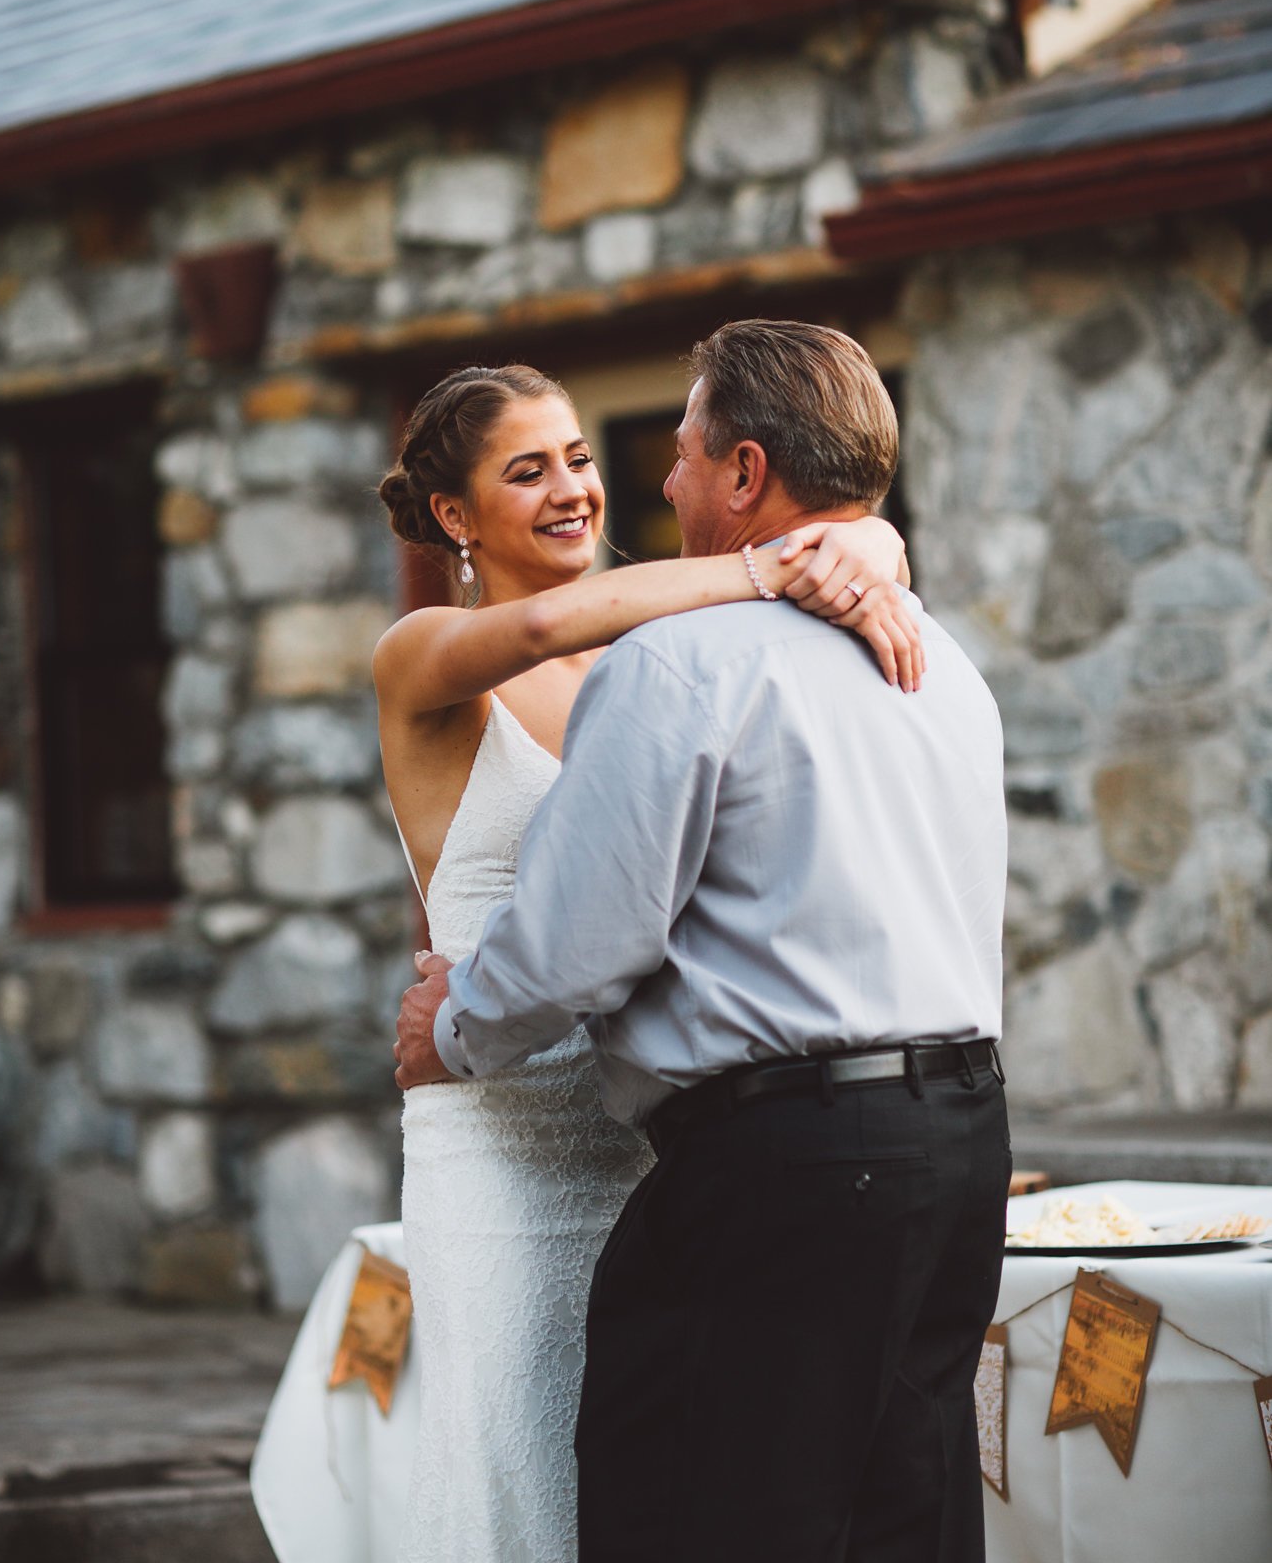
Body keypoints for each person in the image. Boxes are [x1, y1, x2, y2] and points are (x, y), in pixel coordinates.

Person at [396, 322, 1010, 1563]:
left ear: (739, 471)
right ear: (452, 515)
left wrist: (843, 546)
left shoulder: (678, 660)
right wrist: (831, 544)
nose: (601, 483)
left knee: (708, 1511)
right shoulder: (919, 648)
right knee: (884, 1511)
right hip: (601, 1152)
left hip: (729, 1152)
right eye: (530, 470)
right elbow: (543, 631)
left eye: (602, 456)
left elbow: (582, 941)